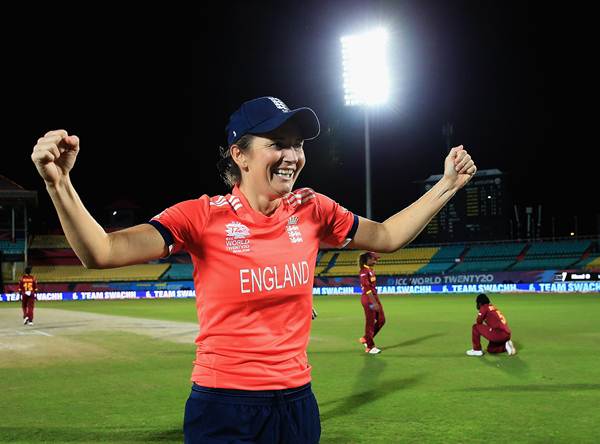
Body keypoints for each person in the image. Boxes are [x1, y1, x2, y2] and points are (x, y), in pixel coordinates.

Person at [31, 95, 477, 443]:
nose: (292, 155)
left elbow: (386, 237)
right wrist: (59, 183)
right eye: (277, 144)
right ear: (240, 155)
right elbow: (102, 252)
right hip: (223, 407)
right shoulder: (201, 216)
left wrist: (448, 185)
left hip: (297, 403)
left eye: (298, 144)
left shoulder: (313, 209)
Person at [358, 251, 384, 354]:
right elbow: (367, 288)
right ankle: (370, 347)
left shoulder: (370, 270)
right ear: (368, 259)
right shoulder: (364, 271)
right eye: (374, 259)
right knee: (370, 322)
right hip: (369, 299)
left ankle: (366, 338)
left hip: (374, 297)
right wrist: (374, 303)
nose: (376, 261)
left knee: (382, 320)